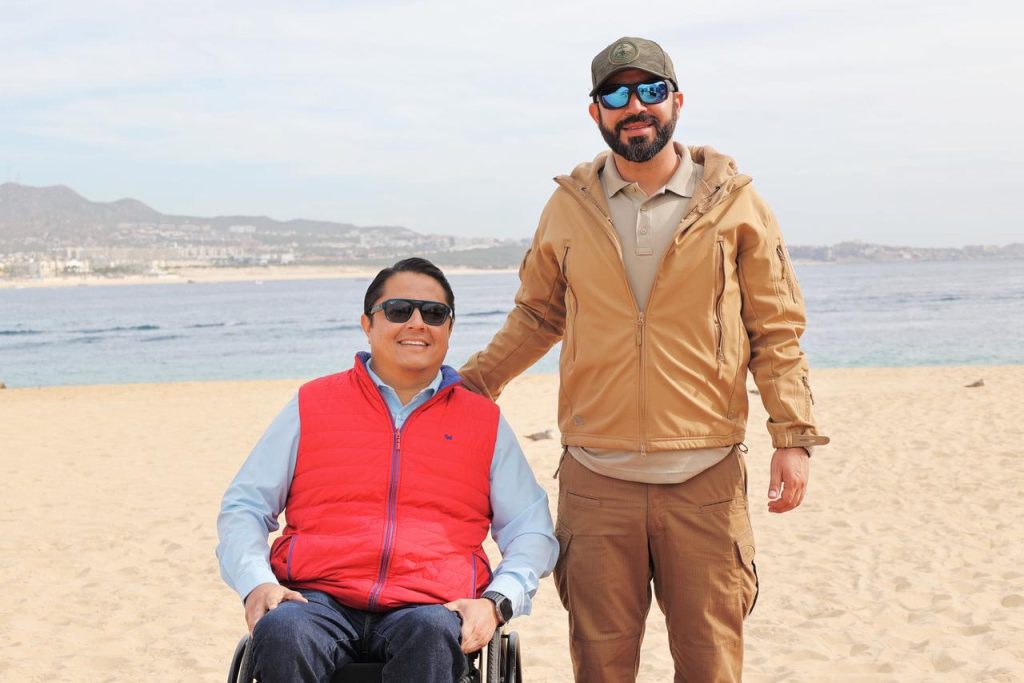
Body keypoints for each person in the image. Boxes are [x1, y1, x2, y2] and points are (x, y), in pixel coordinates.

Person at [459, 37, 829, 682]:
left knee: (711, 665)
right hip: (596, 482)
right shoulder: (569, 206)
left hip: (705, 478)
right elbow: (538, 316)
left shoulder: (736, 202)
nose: (635, 106)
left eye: (651, 91)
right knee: (600, 667)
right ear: (596, 112)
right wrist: (467, 389)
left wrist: (792, 435)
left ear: (677, 101)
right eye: (616, 94)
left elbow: (774, 329)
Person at [217, 257, 558, 683]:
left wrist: (496, 602)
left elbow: (531, 529)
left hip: (430, 605)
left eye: (434, 313)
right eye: (398, 310)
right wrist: (257, 583)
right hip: (315, 600)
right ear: (368, 324)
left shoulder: (483, 421)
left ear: (449, 329)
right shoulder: (312, 404)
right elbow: (245, 506)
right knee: (283, 630)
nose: (417, 323)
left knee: (433, 633)